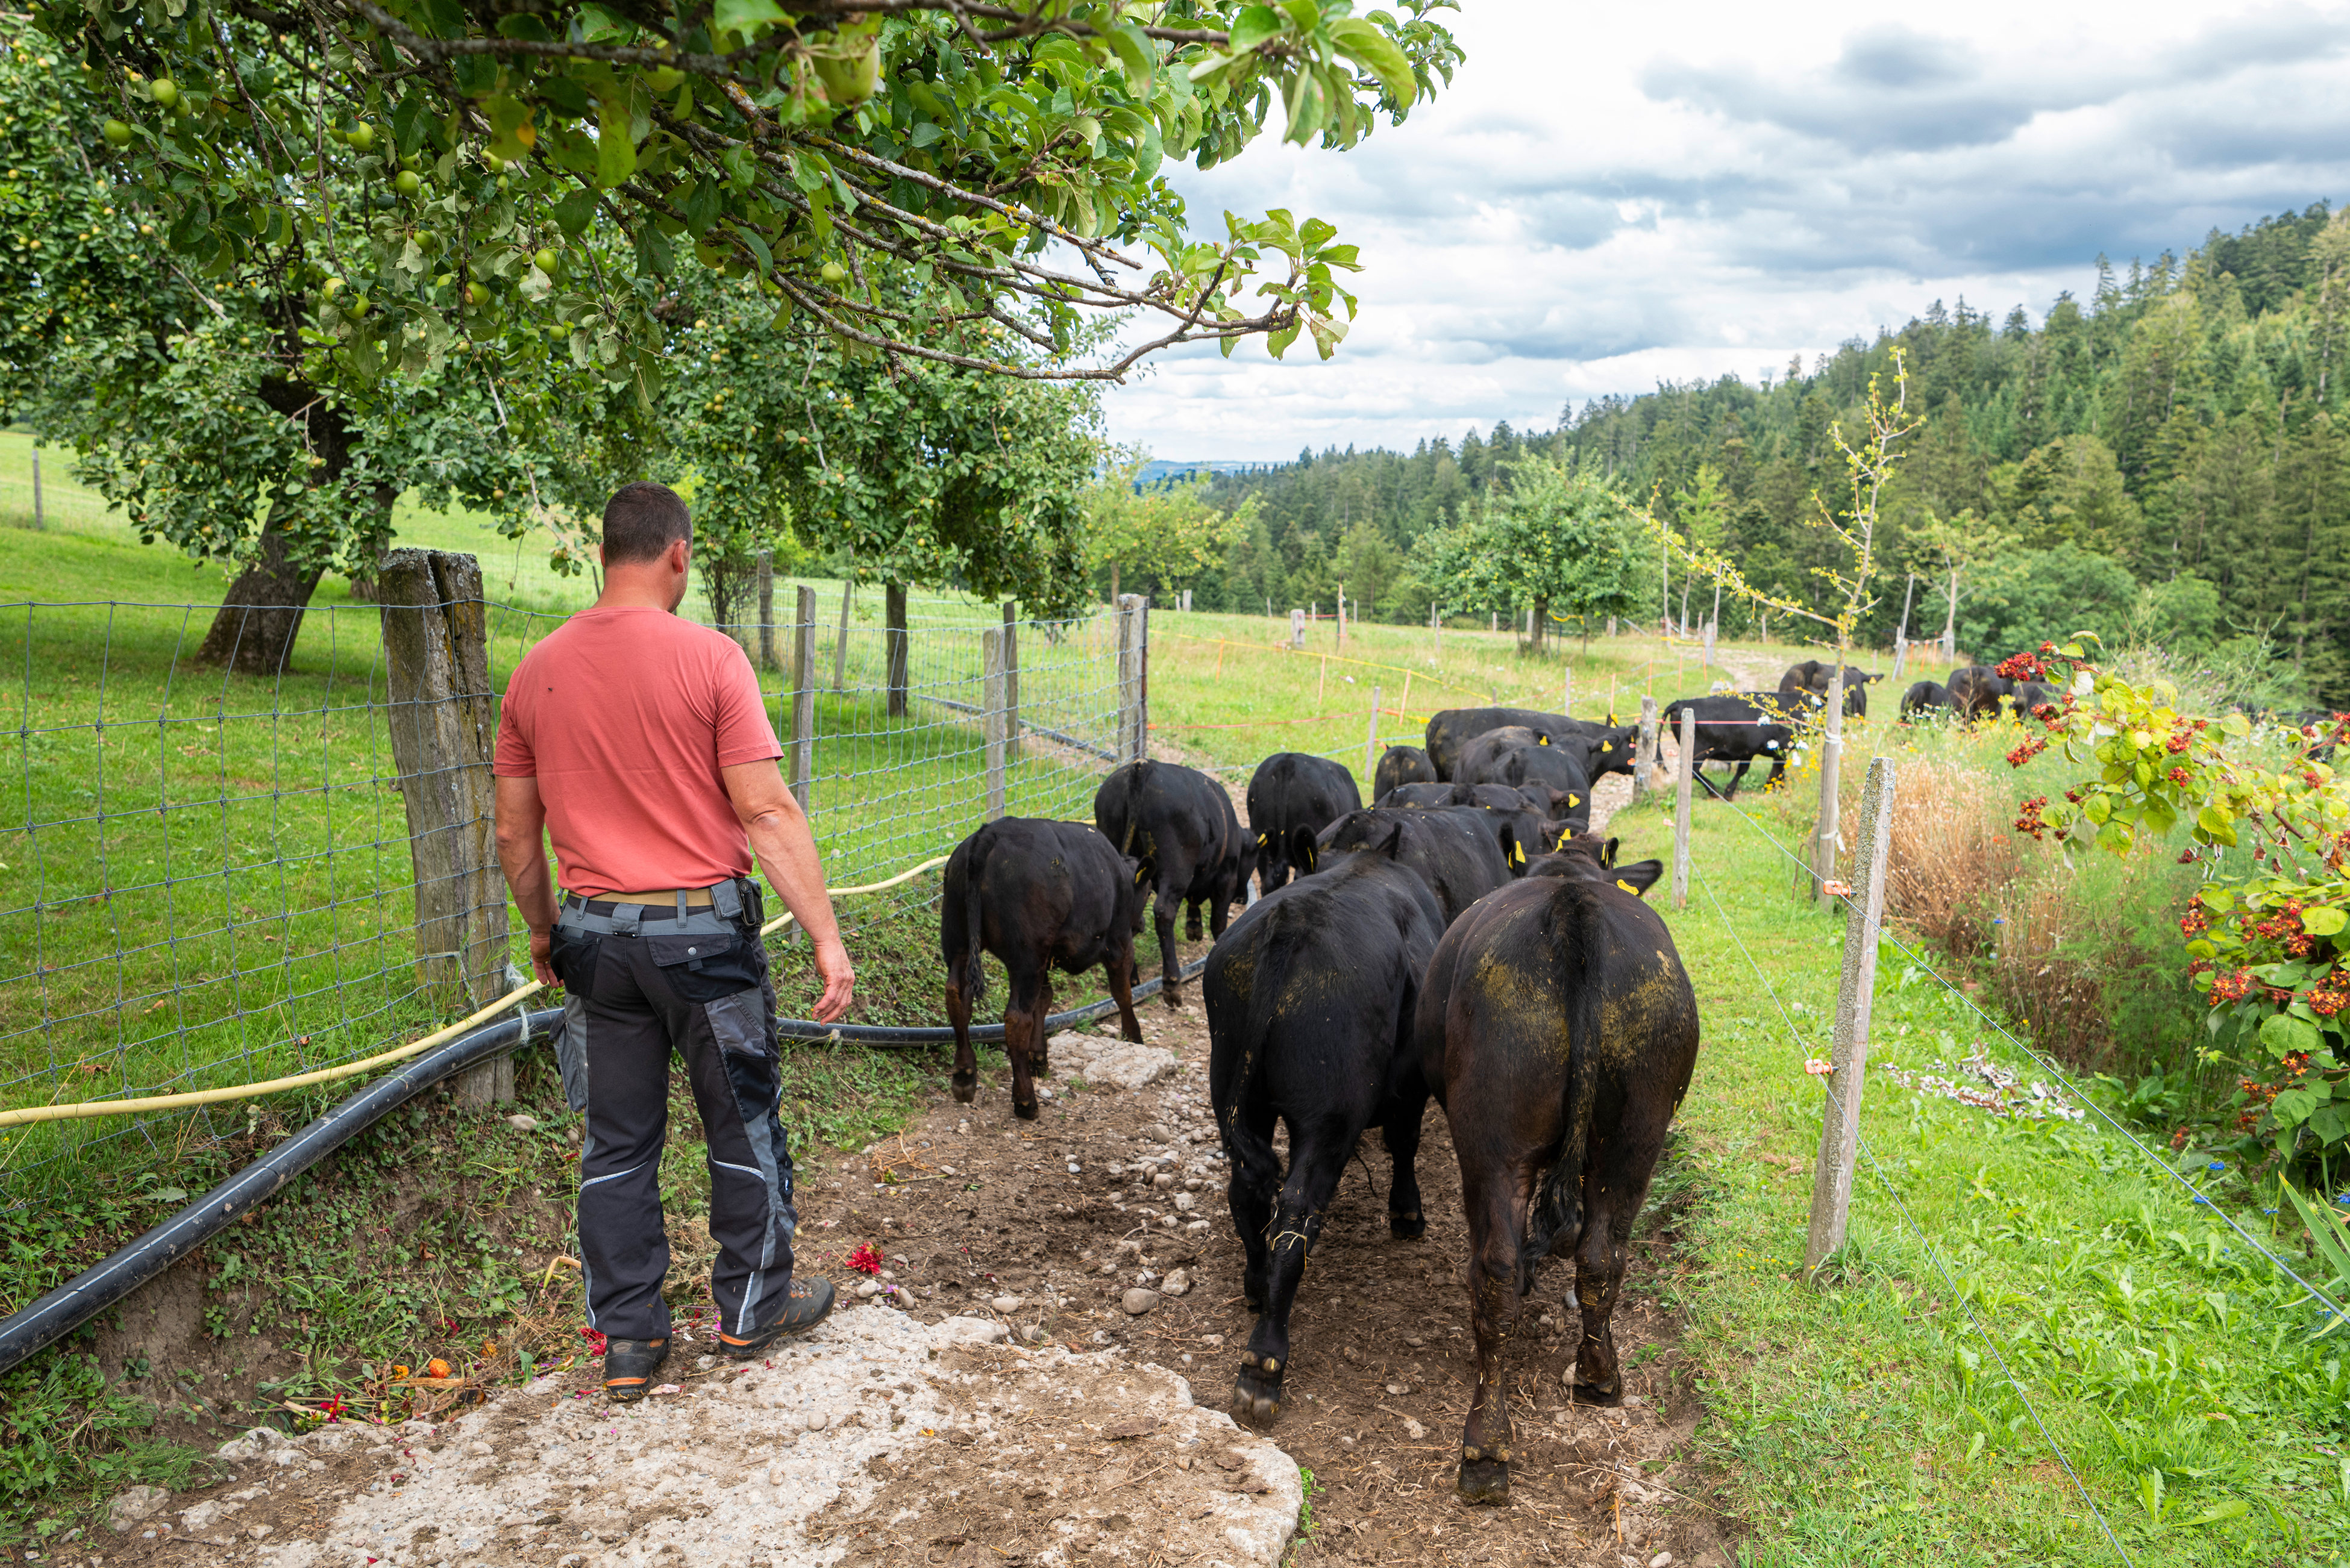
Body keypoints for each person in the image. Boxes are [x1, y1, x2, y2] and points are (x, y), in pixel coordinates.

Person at [492, 481, 856, 1402]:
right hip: (704, 945)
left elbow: (512, 833)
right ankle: (750, 1312)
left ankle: (629, 1341)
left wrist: (543, 929)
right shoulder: (712, 660)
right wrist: (825, 936)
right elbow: (766, 811)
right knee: (741, 1124)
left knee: (615, 1144)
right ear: (679, 555)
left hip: (594, 942)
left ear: (602, 553)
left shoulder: (536, 671)